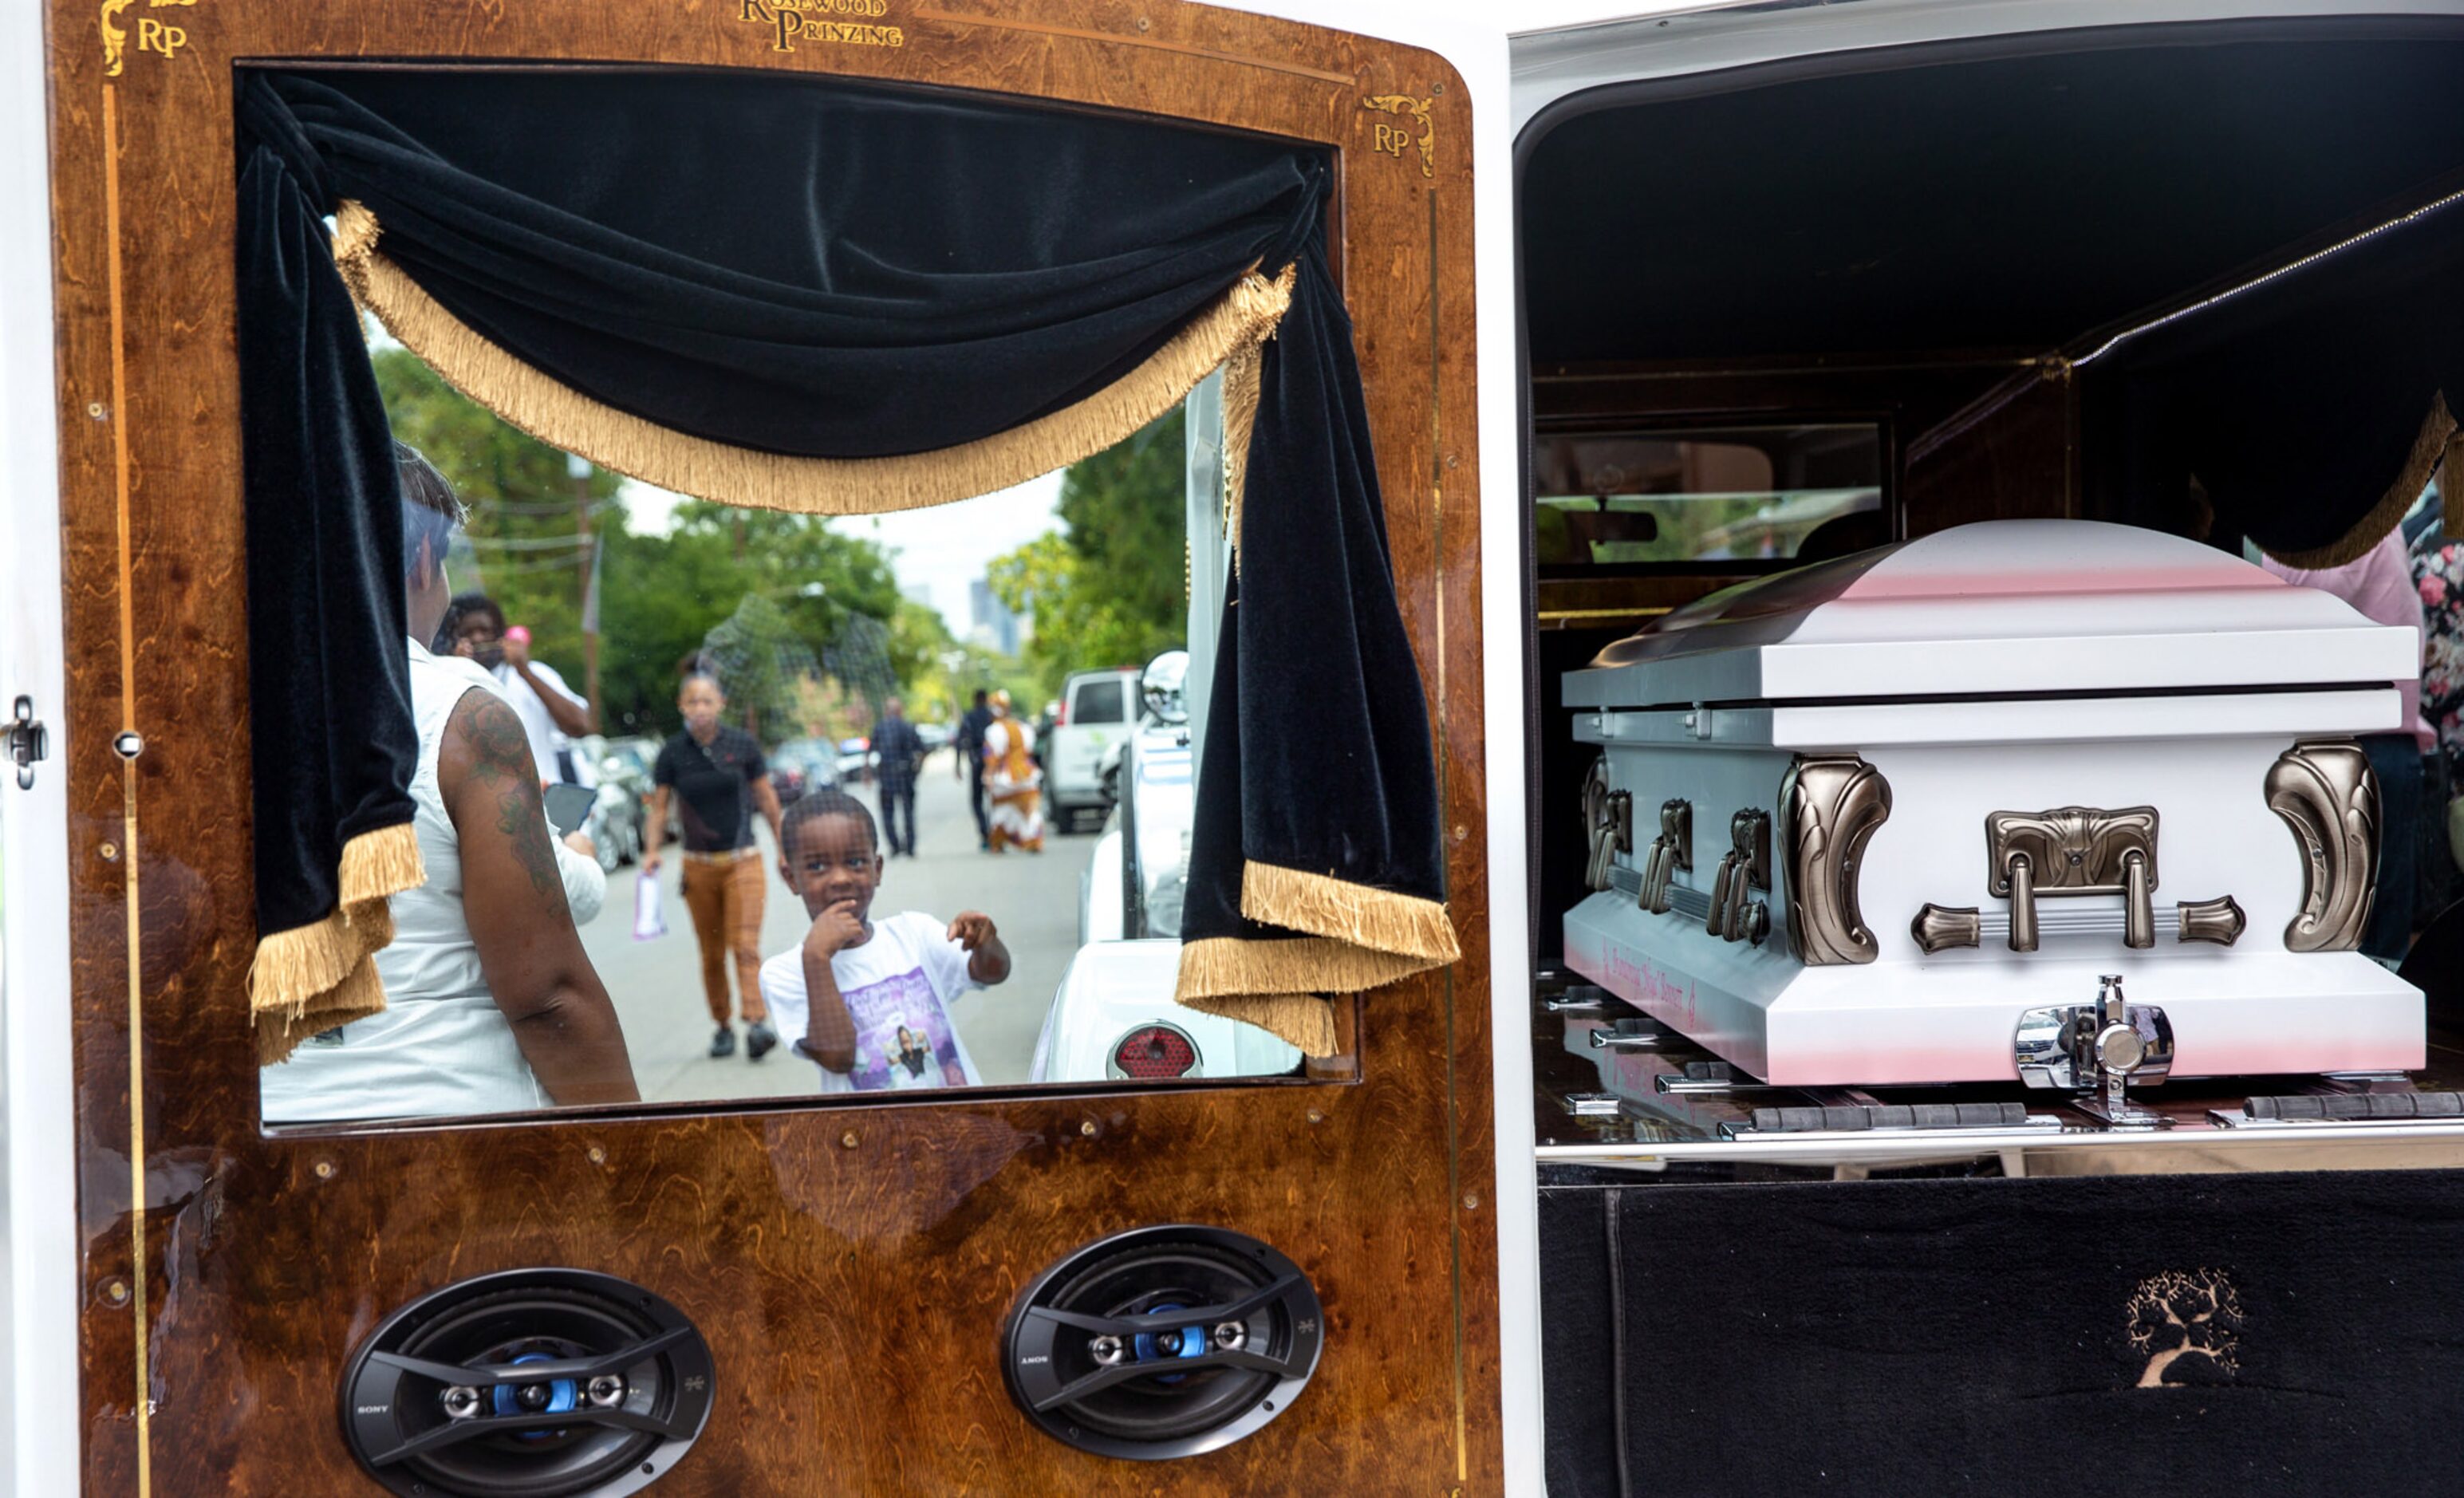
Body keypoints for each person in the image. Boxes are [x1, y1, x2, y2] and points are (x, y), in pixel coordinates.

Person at [262, 443, 637, 1122]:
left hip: (254, 1143)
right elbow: (547, 993)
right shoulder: (458, 710)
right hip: (448, 1133)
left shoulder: (191, 714)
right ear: (426, 561)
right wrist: (640, 1165)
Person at [758, 788, 1011, 1094]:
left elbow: (993, 973)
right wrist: (816, 958)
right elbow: (838, 1056)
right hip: (868, 1139)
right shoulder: (785, 973)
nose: (840, 878)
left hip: (957, 1130)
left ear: (877, 869)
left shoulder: (914, 933)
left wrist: (985, 941)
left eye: (854, 861)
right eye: (817, 867)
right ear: (791, 878)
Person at [2263, 529, 2434, 963]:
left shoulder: (2344, 532)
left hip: (2351, 742)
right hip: (2378, 740)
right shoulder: (2375, 528)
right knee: (2376, 922)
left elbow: (2303, 609)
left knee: (2334, 918)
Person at [642, 669, 787, 1060]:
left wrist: (783, 845)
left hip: (744, 860)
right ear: (682, 707)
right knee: (711, 952)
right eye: (693, 701)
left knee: (745, 945)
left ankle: (756, 1023)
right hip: (698, 866)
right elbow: (660, 806)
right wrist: (652, 850)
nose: (701, 708)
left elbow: (767, 797)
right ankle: (722, 1025)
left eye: (708, 701)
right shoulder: (673, 753)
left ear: (721, 704)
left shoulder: (742, 745)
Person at [445, 593, 597, 787]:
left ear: (501, 635)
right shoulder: (450, 681)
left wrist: (524, 671)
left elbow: (580, 726)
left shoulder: (534, 672)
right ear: (454, 640)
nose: (478, 639)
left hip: (544, 803)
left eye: (485, 631)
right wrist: (459, 668)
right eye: (468, 633)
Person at [983, 688, 1045, 853]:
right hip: (1027, 775)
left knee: (1001, 810)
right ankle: (1033, 840)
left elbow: (992, 757)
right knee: (1030, 810)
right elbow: (1029, 751)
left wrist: (988, 775)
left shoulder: (993, 731)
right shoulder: (1023, 727)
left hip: (1004, 780)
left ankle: (999, 841)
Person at [871, 695, 924, 857]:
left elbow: (870, 752)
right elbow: (921, 750)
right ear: (900, 711)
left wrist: (869, 773)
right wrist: (917, 770)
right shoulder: (907, 727)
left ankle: (894, 846)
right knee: (908, 812)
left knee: (888, 813)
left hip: (887, 776)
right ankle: (909, 847)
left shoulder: (880, 728)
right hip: (904, 775)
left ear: (887, 711)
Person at [955, 688, 994, 850]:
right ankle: (994, 832)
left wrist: (957, 764)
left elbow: (960, 741)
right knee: (994, 798)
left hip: (977, 760)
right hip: (992, 760)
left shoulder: (969, 717)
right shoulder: (992, 716)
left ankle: (985, 833)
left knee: (977, 800)